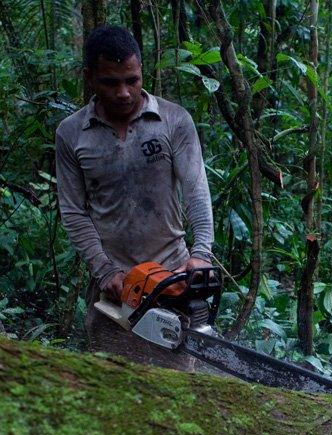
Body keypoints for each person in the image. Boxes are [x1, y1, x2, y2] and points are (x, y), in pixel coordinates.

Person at [55, 25, 214, 371]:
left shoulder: (174, 120)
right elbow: (72, 210)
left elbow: (196, 188)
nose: (124, 93)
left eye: (132, 80)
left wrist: (202, 254)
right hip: (116, 289)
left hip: (174, 278)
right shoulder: (71, 133)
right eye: (111, 82)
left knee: (180, 384)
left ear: (142, 72)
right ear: (90, 78)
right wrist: (104, 269)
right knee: (113, 384)